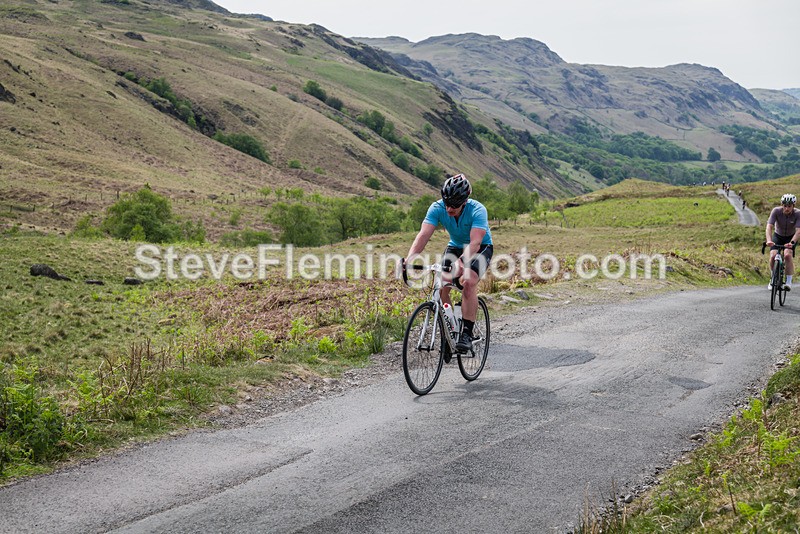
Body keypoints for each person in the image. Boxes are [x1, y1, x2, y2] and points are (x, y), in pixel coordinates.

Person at [405, 173, 493, 353]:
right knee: (441, 284)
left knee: (468, 281)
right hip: (455, 246)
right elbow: (423, 235)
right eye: (446, 203)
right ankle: (450, 331)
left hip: (481, 247)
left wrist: (462, 262)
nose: (448, 209)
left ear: (464, 201)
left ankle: (467, 333)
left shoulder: (478, 210)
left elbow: (475, 243)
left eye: (454, 205)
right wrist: (410, 258)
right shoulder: (437, 208)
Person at [766, 193, 800, 290]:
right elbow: (769, 226)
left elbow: (798, 231)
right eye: (785, 206)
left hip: (791, 237)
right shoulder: (776, 211)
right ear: (782, 205)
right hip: (778, 236)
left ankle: (788, 282)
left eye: (789, 206)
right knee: (773, 255)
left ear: (793, 206)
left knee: (787, 255)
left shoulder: (798, 213)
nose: (786, 208)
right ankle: (772, 279)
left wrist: (792, 243)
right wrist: (769, 240)